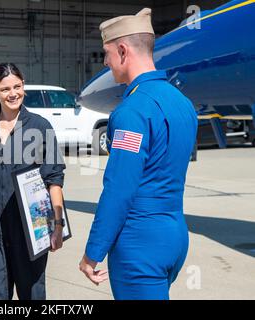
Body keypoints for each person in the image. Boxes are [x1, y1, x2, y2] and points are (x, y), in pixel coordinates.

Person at [79, 8, 198, 300]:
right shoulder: (182, 102)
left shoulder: (131, 111)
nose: (106, 62)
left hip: (140, 243)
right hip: (174, 235)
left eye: (106, 54)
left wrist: (93, 252)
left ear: (122, 50)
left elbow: (120, 188)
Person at [0, 63, 66, 300]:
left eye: (17, 86)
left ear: (24, 87)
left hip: (32, 223)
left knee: (33, 293)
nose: (13, 93)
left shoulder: (40, 127)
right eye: (5, 89)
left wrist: (58, 225)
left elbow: (54, 179)